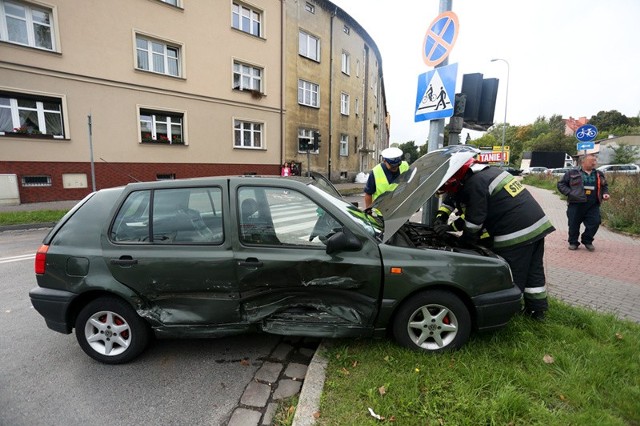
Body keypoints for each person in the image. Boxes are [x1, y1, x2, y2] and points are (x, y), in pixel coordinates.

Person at [438, 159, 555, 320]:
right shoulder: (489, 173)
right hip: (536, 226)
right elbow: (468, 208)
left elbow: (474, 221)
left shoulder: (475, 184)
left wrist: (463, 240)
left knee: (512, 275)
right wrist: (445, 220)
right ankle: (537, 312)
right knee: (533, 270)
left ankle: (509, 313)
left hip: (515, 233)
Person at [557, 154, 610, 251]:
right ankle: (573, 242)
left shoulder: (599, 174)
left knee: (595, 222)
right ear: (583, 162)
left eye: (595, 161)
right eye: (591, 161)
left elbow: (604, 185)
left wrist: (605, 193)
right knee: (573, 224)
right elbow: (561, 184)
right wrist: (570, 193)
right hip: (576, 204)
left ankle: (587, 240)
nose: (594, 163)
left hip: (593, 204)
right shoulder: (572, 173)